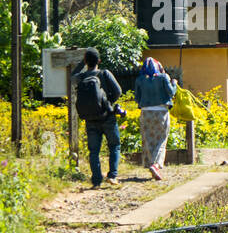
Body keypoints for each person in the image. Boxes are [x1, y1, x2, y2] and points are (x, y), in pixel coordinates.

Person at [74, 47, 124, 189]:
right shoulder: (104, 73)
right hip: (107, 117)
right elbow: (118, 91)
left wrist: (81, 65)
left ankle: (96, 181)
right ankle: (112, 176)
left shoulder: (81, 77)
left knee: (94, 151)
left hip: (90, 118)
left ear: (85, 61)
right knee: (114, 145)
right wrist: (108, 103)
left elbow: (72, 77)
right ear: (99, 61)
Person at [134, 58, 177, 181]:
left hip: (145, 112)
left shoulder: (139, 80)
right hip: (161, 112)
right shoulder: (163, 77)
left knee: (148, 140)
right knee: (161, 140)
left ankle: (151, 164)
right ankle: (155, 164)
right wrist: (174, 82)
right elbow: (171, 92)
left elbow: (137, 98)